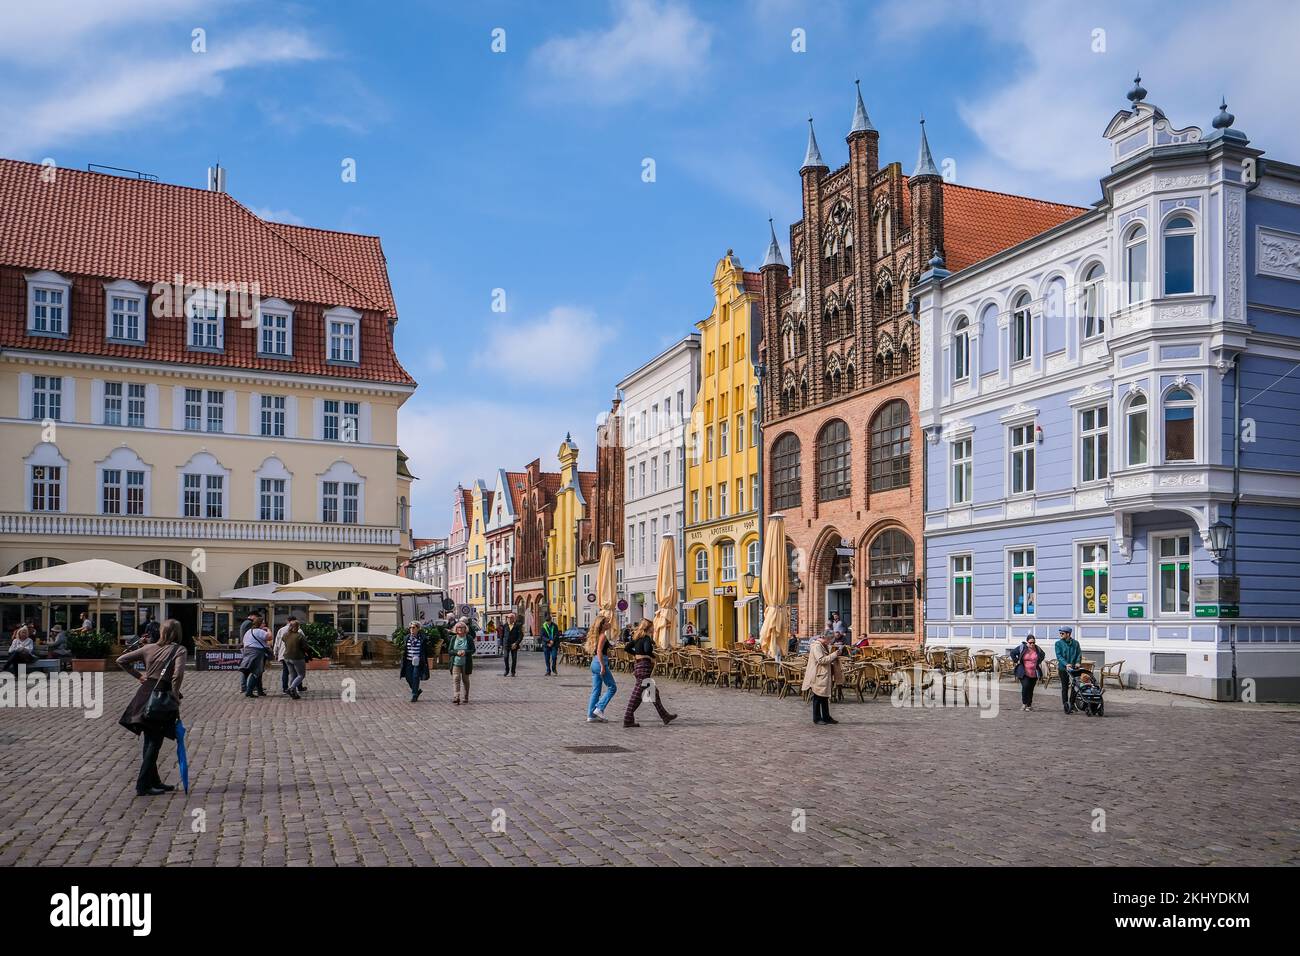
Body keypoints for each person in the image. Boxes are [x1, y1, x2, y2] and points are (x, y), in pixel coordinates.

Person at [116, 618, 186, 797]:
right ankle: (142, 785)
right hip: (161, 696)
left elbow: (121, 660)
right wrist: (175, 695)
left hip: (145, 694)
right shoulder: (179, 649)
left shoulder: (148, 648)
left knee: (149, 740)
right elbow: (177, 675)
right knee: (155, 742)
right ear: (177, 632)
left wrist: (139, 676)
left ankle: (154, 781)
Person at [621, 620, 676, 728]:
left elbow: (626, 648)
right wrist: (651, 656)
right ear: (648, 628)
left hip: (639, 666)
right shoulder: (646, 638)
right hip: (644, 667)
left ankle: (665, 716)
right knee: (637, 695)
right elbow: (647, 649)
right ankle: (627, 719)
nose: (653, 628)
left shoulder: (637, 638)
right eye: (652, 626)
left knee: (654, 692)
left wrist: (637, 654)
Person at [802, 631, 842, 725]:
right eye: (830, 640)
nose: (830, 642)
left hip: (823, 674)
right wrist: (834, 655)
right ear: (826, 638)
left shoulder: (823, 646)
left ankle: (826, 716)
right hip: (818, 674)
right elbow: (821, 660)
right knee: (818, 696)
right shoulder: (817, 646)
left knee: (824, 696)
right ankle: (817, 718)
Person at [585, 616, 617, 722]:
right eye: (607, 622)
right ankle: (599, 708)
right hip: (600, 663)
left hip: (594, 663)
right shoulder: (602, 636)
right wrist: (603, 666)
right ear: (602, 625)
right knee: (612, 687)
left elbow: (600, 650)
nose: (609, 623)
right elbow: (599, 651)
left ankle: (591, 715)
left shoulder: (597, 635)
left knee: (596, 690)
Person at [1009, 634, 1044, 712]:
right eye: (1030, 642)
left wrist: (1038, 661)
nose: (1032, 644)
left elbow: (1043, 654)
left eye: (1033, 642)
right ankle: (1024, 703)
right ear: (1027, 642)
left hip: (1034, 672)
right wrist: (1016, 660)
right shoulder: (1022, 647)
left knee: (1031, 689)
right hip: (1024, 672)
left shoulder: (1037, 648)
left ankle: (1029, 705)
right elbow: (1012, 653)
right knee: (1025, 686)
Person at [240, 614, 270, 699]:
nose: (264, 624)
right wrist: (268, 630)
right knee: (256, 672)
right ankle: (249, 691)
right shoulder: (259, 631)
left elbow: (244, 642)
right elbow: (270, 637)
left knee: (257, 672)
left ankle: (259, 690)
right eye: (263, 623)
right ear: (260, 624)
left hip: (248, 652)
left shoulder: (249, 631)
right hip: (257, 653)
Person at [1054, 626, 1083, 714]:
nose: (1061, 635)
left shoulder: (1076, 643)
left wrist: (1078, 662)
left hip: (1074, 668)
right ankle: (1066, 704)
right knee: (1065, 687)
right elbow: (1059, 656)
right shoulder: (1058, 643)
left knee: (1075, 686)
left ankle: (1072, 703)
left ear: (1068, 634)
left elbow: (1079, 654)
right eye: (1060, 633)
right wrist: (1066, 664)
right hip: (1063, 668)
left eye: (1062, 633)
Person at [398, 621, 429, 702]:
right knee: (408, 677)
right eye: (410, 628)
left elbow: (426, 650)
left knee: (415, 677)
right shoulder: (407, 638)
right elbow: (405, 649)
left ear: (418, 629)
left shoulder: (422, 638)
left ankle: (414, 695)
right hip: (408, 660)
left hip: (417, 661)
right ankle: (416, 690)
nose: (411, 629)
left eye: (413, 627)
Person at [277, 619, 308, 700]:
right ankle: (291, 688)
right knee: (301, 675)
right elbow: (305, 647)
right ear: (297, 627)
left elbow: (283, 641)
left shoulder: (285, 635)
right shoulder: (300, 636)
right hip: (297, 657)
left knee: (293, 675)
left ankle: (293, 693)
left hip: (287, 657)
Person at [449, 620, 474, 704]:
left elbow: (473, 650)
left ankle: (466, 697)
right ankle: (456, 696)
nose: (460, 629)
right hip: (455, 662)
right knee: (456, 679)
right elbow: (450, 651)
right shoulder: (453, 638)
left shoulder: (469, 638)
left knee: (465, 680)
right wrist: (456, 652)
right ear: (456, 629)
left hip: (466, 663)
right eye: (458, 627)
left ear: (465, 629)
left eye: (461, 627)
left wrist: (465, 652)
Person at [274, 615, 299, 695]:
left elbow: (277, 642)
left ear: (287, 621)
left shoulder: (281, 630)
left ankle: (285, 688)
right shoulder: (299, 630)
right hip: (294, 654)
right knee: (296, 672)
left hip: (283, 654)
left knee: (285, 671)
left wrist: (276, 652)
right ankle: (295, 687)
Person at [500, 611, 522, 677]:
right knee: (505, 657)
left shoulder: (517, 625)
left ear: (513, 619)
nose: (509, 619)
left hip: (514, 645)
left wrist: (516, 643)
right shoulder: (505, 626)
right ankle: (507, 670)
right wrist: (501, 644)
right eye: (508, 618)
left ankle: (513, 671)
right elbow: (502, 635)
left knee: (514, 659)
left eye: (510, 618)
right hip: (506, 644)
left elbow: (520, 636)